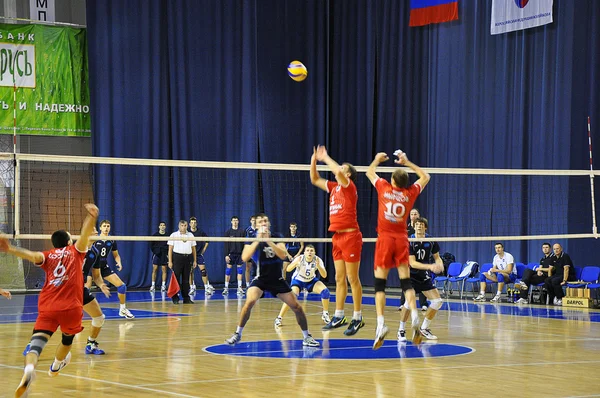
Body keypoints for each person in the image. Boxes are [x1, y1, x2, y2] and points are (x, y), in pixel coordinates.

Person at [1, 203, 97, 397]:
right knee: (67, 341)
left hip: (47, 306)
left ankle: (29, 370)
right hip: (71, 307)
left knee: (36, 344)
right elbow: (85, 234)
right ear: (70, 241)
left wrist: (9, 249)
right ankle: (55, 366)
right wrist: (91, 217)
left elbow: (31, 255)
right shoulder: (75, 251)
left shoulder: (47, 255)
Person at [366, 151, 430, 349]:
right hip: (402, 240)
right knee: (406, 283)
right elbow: (425, 177)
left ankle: (381, 324)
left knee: (379, 285)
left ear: (392, 180)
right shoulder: (410, 193)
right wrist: (407, 161)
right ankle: (415, 316)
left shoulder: (384, 187)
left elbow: (369, 172)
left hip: (385, 239)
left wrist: (377, 159)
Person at [225, 213, 320, 348]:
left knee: (297, 307)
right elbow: (245, 257)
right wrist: (258, 240)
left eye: (265, 221)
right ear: (256, 225)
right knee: (250, 301)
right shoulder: (251, 238)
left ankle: (307, 337)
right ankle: (237, 333)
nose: (264, 223)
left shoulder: (277, 236)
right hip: (261, 279)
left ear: (268, 223)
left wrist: (269, 240)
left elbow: (282, 255)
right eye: (260, 222)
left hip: (277, 279)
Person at [310, 145, 364, 336]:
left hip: (351, 236)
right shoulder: (333, 188)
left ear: (348, 174)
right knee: (339, 278)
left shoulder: (349, 187)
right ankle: (339, 315)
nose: (339, 170)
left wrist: (326, 157)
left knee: (352, 278)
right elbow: (314, 179)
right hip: (337, 237)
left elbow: (337, 172)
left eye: (343, 168)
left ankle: (357, 317)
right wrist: (314, 161)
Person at [398, 217, 444, 342]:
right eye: (417, 224)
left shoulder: (431, 241)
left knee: (437, 301)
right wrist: (430, 266)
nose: (419, 226)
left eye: (421, 224)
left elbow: (437, 257)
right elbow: (412, 263)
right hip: (410, 275)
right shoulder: (409, 241)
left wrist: (440, 264)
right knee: (408, 303)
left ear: (425, 227)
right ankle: (401, 330)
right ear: (414, 226)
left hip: (423, 276)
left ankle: (424, 328)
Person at [274, 244, 330, 327]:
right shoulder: (300, 258)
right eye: (307, 250)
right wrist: (295, 263)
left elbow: (324, 275)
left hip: (310, 280)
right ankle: (279, 318)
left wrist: (319, 266)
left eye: (311, 251)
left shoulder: (317, 260)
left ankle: (325, 314)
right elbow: (288, 269)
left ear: (314, 252)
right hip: (298, 280)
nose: (309, 252)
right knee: (292, 296)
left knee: (325, 292)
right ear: (304, 252)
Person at [91, 220, 135, 319]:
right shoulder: (94, 239)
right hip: (92, 266)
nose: (106, 228)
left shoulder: (111, 240)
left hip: (103, 266)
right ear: (100, 228)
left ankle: (123, 309)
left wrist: (118, 261)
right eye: (104, 226)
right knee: (85, 289)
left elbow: (116, 255)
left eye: (108, 226)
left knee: (122, 286)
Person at [168, 220, 197, 304]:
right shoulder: (173, 235)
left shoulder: (190, 235)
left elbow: (193, 249)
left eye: (185, 225)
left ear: (187, 226)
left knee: (186, 279)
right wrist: (170, 261)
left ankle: (186, 298)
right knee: (176, 278)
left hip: (187, 258)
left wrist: (194, 260)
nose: (183, 227)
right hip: (177, 258)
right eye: (182, 225)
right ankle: (175, 297)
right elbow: (170, 249)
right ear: (179, 226)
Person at [188, 216, 214, 295]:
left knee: (203, 271)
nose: (193, 224)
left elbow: (207, 240)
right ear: (189, 224)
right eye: (192, 223)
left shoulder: (200, 232)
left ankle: (206, 288)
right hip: (190, 255)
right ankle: (192, 287)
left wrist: (203, 250)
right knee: (190, 272)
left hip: (199, 254)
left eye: (194, 223)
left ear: (196, 223)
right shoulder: (188, 233)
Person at [224, 216, 246, 296]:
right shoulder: (228, 232)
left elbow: (244, 244)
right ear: (231, 222)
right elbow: (226, 245)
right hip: (231, 254)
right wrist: (226, 255)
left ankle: (239, 288)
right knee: (228, 271)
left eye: (236, 220)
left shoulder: (242, 231)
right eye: (233, 220)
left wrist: (244, 254)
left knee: (240, 270)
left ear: (238, 221)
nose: (235, 222)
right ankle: (226, 287)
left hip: (239, 254)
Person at [150, 221, 169, 293]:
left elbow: (169, 246)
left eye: (164, 225)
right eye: (161, 225)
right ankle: (153, 285)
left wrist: (167, 253)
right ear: (159, 226)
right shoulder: (155, 235)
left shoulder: (168, 235)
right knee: (155, 269)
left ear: (165, 227)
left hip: (164, 255)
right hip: (157, 254)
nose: (162, 226)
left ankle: (163, 286)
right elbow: (152, 246)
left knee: (164, 269)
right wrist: (156, 252)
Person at [244, 215, 257, 288]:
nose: (254, 222)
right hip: (249, 252)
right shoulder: (247, 230)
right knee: (248, 268)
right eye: (252, 220)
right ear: (250, 221)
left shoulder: (259, 230)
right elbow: (246, 242)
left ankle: (259, 285)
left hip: (257, 252)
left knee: (259, 269)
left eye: (255, 220)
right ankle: (247, 285)